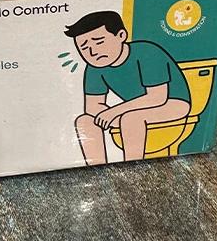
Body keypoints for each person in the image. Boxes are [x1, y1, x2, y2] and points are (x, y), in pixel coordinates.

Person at [65, 11, 190, 164]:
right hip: (134, 109)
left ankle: (132, 166)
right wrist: (110, 115)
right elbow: (92, 107)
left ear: (121, 35)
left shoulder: (147, 52)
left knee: (131, 118)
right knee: (84, 121)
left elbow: (157, 97)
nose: (92, 52)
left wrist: (113, 112)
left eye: (99, 42)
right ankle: (96, 167)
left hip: (174, 103)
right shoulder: (94, 67)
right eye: (84, 48)